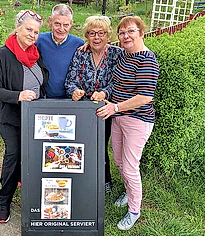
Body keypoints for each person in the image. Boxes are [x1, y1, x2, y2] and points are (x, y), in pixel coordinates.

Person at [96, 16, 159, 230]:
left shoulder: (147, 59)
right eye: (122, 33)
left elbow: (144, 97)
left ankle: (134, 210)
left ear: (142, 33)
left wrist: (114, 107)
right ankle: (128, 190)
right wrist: (87, 43)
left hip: (137, 120)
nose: (125, 36)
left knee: (130, 166)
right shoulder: (124, 54)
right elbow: (102, 46)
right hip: (119, 118)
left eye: (131, 31)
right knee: (119, 161)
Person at [0, 9, 48, 223]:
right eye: (29, 29)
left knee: (33, 157)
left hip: (35, 119)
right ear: (17, 28)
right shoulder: (2, 55)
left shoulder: (35, 54)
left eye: (36, 31)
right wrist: (18, 96)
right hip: (11, 118)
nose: (32, 34)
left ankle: (28, 188)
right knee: (13, 155)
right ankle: (4, 200)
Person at [64, 15, 122, 194]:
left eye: (101, 33)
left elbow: (118, 82)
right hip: (82, 108)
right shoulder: (81, 52)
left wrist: (105, 92)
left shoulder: (116, 54)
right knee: (79, 144)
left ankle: (104, 180)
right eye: (92, 33)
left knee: (100, 145)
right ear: (87, 36)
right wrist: (74, 91)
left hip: (104, 108)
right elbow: (70, 80)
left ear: (108, 35)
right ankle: (79, 179)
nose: (97, 37)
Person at [36, 4, 84, 98]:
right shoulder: (39, 41)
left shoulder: (79, 44)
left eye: (65, 25)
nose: (61, 29)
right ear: (50, 21)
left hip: (70, 99)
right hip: (44, 98)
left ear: (71, 23)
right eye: (57, 24)